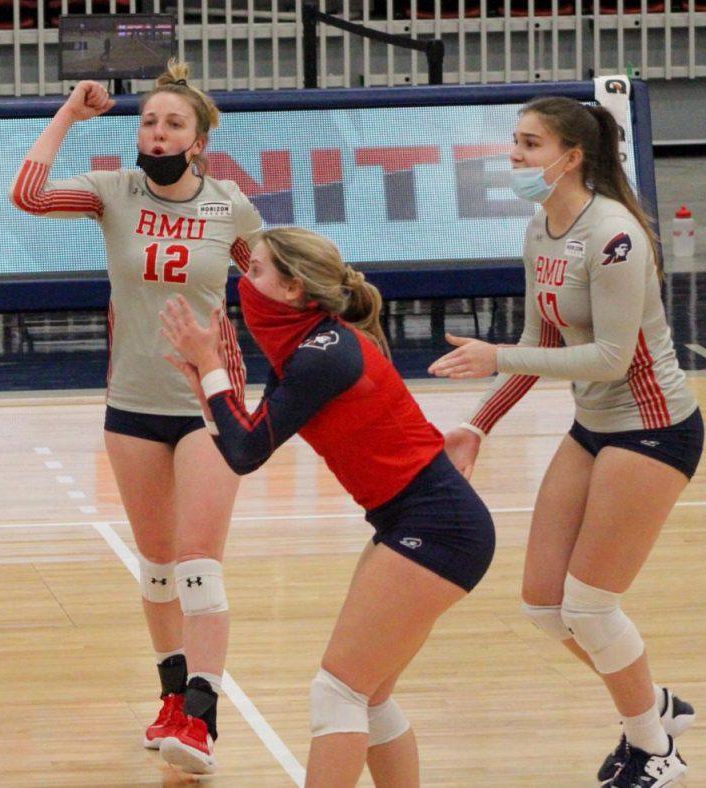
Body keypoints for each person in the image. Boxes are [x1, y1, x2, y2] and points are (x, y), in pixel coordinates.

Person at [430, 96, 702, 787]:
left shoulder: (613, 235)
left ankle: (655, 751)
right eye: (514, 143)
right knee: (544, 606)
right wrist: (477, 425)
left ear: (572, 156)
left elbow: (611, 358)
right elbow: (539, 345)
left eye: (529, 145)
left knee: (589, 606)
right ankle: (652, 707)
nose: (515, 156)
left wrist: (501, 359)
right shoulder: (540, 229)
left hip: (653, 427)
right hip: (595, 426)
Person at [161, 227, 495, 787]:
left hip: (438, 526)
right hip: (414, 522)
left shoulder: (326, 354)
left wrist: (211, 364)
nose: (246, 281)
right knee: (369, 696)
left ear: (293, 289)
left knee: (338, 690)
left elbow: (242, 449)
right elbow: (247, 443)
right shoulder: (307, 350)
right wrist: (204, 377)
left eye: (258, 270)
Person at [10, 62, 262, 775]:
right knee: (156, 571)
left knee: (198, 569)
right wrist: (69, 113)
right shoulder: (111, 192)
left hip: (211, 403)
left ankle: (204, 721)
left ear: (200, 140)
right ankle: (173, 697)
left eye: (173, 122)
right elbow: (27, 193)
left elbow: (270, 285)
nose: (157, 132)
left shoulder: (229, 206)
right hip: (132, 403)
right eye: (149, 121)